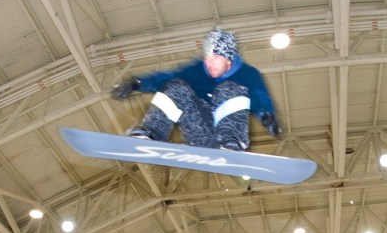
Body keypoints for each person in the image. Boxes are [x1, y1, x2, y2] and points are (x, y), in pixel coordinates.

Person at [110, 28, 281, 152]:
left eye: (216, 57)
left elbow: (260, 97)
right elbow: (165, 78)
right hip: (199, 132)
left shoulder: (248, 74)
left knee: (231, 88)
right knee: (176, 85)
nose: (210, 63)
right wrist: (136, 83)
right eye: (207, 57)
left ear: (228, 58)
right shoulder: (196, 70)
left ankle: (232, 143)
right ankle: (152, 134)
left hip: (228, 136)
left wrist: (267, 117)